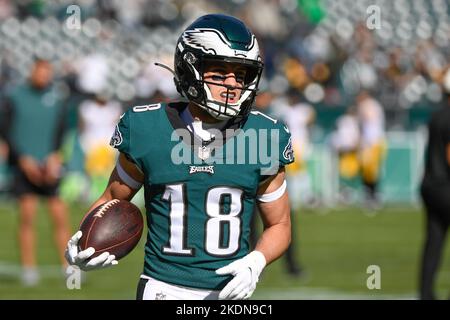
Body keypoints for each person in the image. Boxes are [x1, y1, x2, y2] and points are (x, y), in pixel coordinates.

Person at [65, 14, 294, 300]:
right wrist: (84, 241)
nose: (233, 85)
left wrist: (256, 261)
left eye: (241, 74)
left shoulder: (262, 136)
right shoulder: (148, 130)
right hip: (162, 289)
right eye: (220, 74)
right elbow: (113, 197)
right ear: (190, 69)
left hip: (228, 294)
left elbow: (280, 225)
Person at [0, 59, 71, 286]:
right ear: (32, 71)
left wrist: (55, 156)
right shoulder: (14, 96)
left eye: (47, 71)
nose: (43, 75)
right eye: (40, 70)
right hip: (24, 166)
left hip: (48, 166)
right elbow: (6, 131)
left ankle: (68, 266)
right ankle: (29, 269)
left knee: (60, 215)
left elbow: (61, 132)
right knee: (27, 215)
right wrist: (22, 159)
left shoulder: (57, 98)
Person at [419, 68, 450, 300]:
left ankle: (426, 293)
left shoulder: (436, 115)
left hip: (430, 185)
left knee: (434, 241)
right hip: (446, 187)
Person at [356, 91, 386, 209]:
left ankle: (373, 195)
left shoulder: (369, 105)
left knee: (370, 170)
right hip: (371, 142)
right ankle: (371, 195)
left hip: (372, 142)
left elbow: (367, 117)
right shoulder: (372, 105)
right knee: (367, 170)